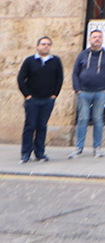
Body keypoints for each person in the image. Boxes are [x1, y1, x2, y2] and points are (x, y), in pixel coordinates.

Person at [69, 29, 105, 159]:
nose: (97, 39)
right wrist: (77, 89)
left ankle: (97, 148)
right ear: (90, 39)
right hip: (83, 92)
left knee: (98, 119)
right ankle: (79, 148)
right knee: (83, 119)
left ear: (102, 39)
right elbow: (75, 73)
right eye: (94, 37)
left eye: (99, 37)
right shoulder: (83, 55)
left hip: (100, 93)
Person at [17, 36, 64, 164]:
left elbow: (59, 79)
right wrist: (27, 95)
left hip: (47, 100)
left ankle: (40, 153)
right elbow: (21, 79)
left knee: (42, 126)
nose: (45, 46)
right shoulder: (29, 61)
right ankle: (25, 153)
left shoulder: (55, 61)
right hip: (32, 100)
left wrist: (54, 95)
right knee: (30, 126)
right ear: (37, 46)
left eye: (48, 44)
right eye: (43, 44)